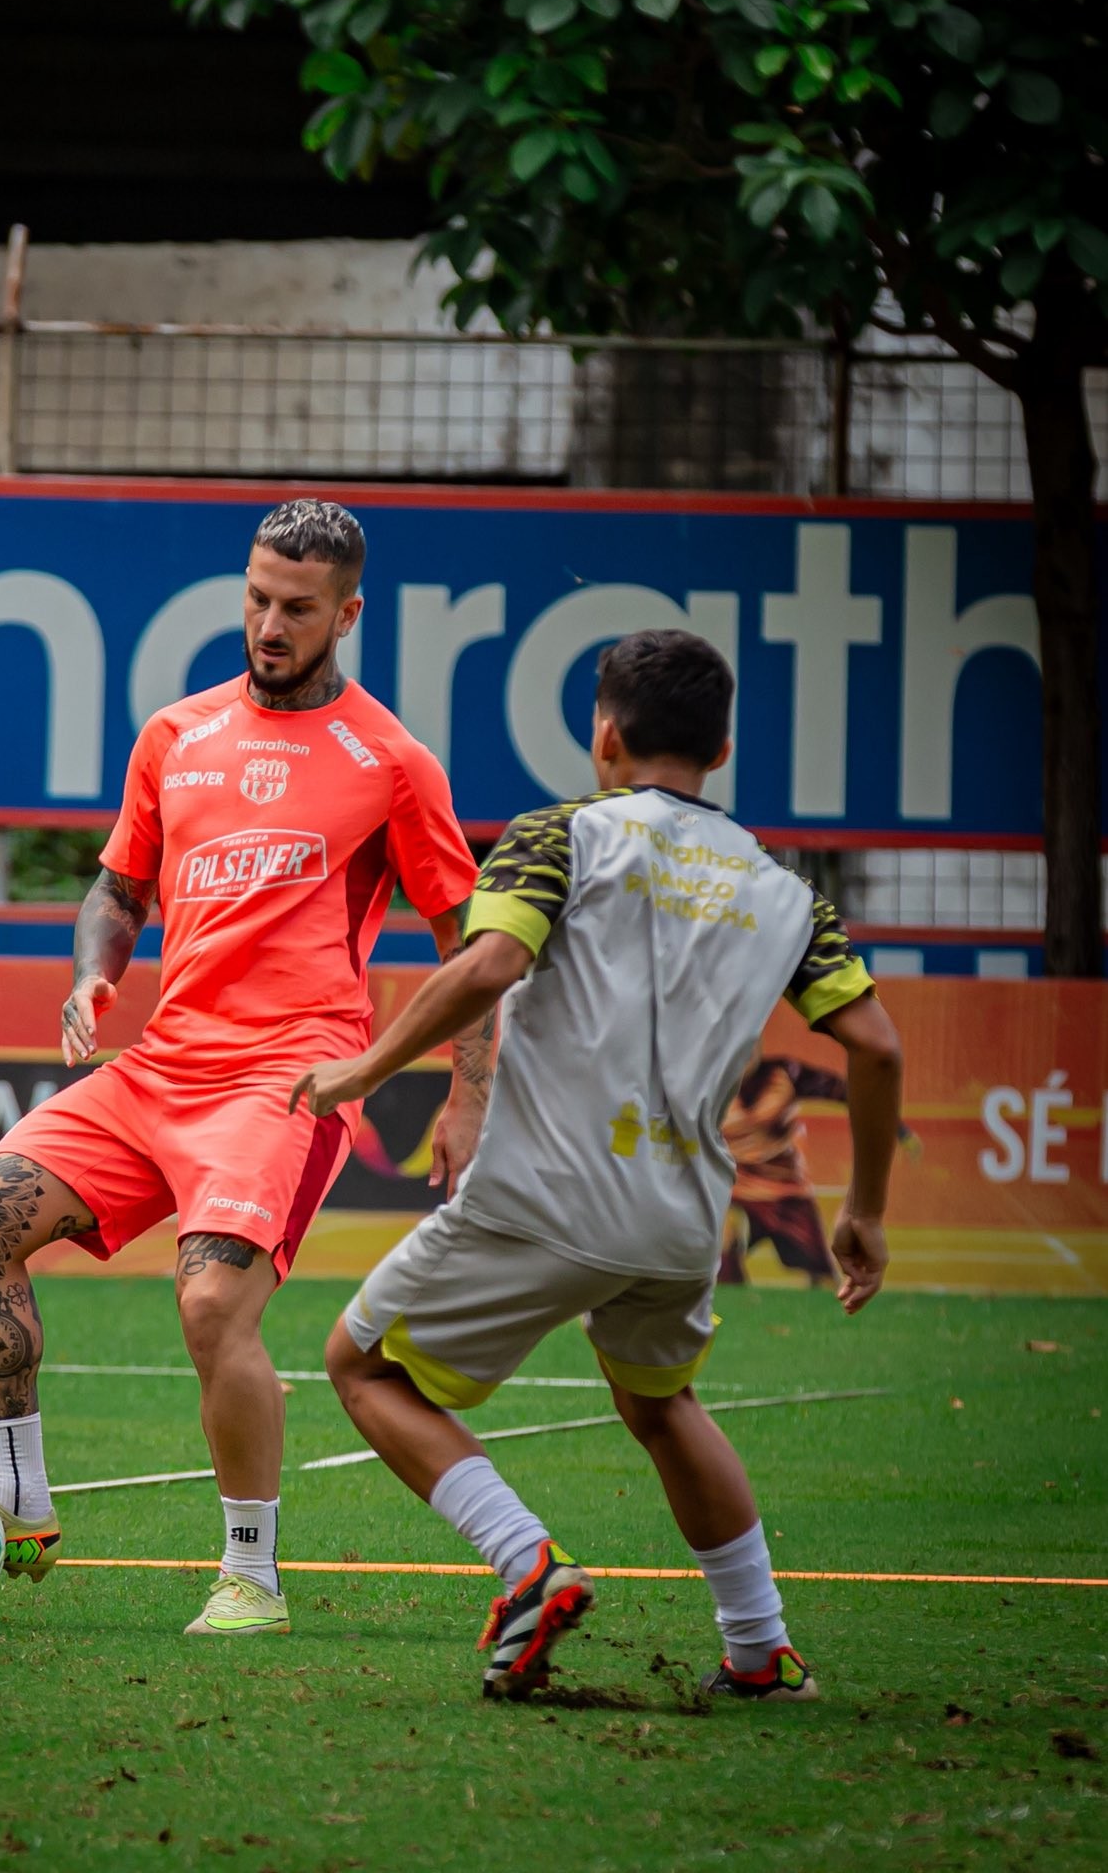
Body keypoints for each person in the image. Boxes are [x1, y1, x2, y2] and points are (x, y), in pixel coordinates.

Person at [290, 628, 902, 1701]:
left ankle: (526, 1559)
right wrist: (866, 1213)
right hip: (678, 1224)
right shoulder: (783, 890)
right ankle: (760, 1651)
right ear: (718, 746)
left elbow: (490, 963)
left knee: (360, 1366)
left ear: (605, 735)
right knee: (661, 1404)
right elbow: (879, 1046)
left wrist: (366, 1066)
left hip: (542, 1197)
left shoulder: (562, 834)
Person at [0, 498, 484, 1638]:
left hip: (290, 1078)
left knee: (213, 1301)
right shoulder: (175, 733)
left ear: (347, 612)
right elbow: (117, 888)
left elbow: (471, 941)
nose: (270, 624)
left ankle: (250, 1573)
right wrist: (95, 971)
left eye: (296, 607)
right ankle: (20, 1492)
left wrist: (470, 1090)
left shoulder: (391, 760)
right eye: (257, 598)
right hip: (160, 1065)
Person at [720, 1055, 917, 1287]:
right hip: (736, 1194)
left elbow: (845, 1091)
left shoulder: (787, 1074)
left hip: (787, 1197)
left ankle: (832, 1314)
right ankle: (729, 1315)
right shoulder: (707, 1081)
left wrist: (898, 1129)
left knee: (824, 1283)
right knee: (722, 1237)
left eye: (751, 1040)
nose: (745, 1049)